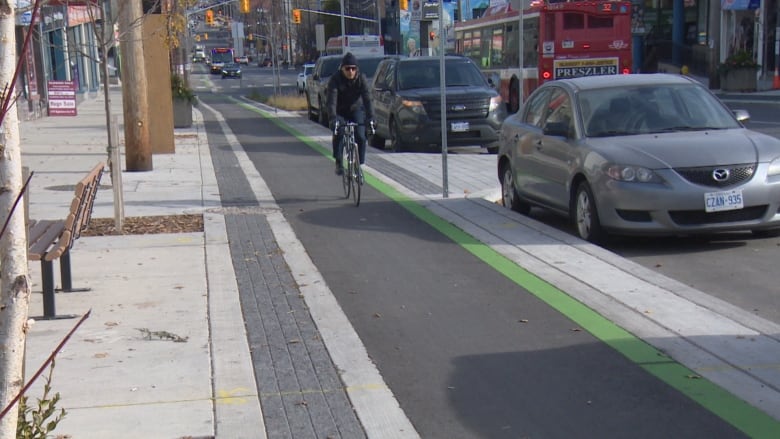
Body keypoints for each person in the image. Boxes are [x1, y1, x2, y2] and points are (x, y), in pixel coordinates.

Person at [326, 52, 374, 176]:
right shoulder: (335, 79)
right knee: (339, 132)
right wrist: (332, 118)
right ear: (342, 68)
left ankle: (360, 164)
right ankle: (338, 162)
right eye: (347, 68)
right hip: (340, 111)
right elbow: (331, 101)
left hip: (355, 109)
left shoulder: (361, 79)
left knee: (361, 135)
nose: (351, 71)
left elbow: (367, 99)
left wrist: (371, 118)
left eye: (353, 68)